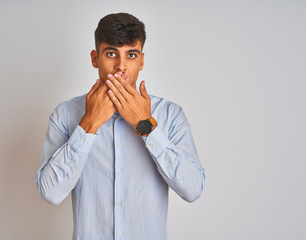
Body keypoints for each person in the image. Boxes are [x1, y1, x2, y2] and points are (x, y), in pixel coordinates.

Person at [35, 12, 205, 240]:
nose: (121, 67)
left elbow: (193, 189)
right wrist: (89, 124)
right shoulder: (66, 115)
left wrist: (146, 125)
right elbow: (50, 192)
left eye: (131, 55)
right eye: (111, 53)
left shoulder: (170, 115)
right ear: (95, 58)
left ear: (142, 61)